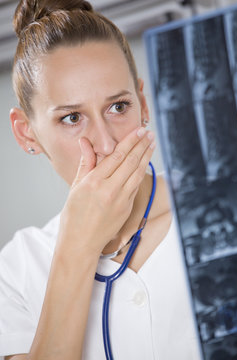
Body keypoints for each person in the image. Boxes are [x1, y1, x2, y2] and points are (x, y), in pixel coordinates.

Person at [0, 1, 200, 359]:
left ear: (142, 102)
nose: (107, 144)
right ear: (26, 133)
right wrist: (78, 245)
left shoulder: (218, 200)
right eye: (72, 117)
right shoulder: (17, 269)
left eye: (118, 107)